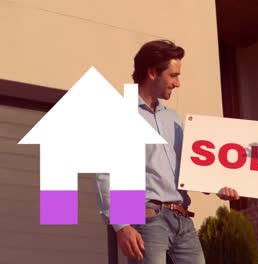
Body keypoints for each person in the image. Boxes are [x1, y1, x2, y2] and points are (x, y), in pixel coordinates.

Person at [95, 40, 239, 264]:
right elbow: (107, 174)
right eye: (173, 75)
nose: (178, 83)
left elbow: (189, 168)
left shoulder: (173, 119)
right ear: (152, 73)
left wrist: (217, 187)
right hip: (147, 218)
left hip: (183, 218)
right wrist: (122, 225)